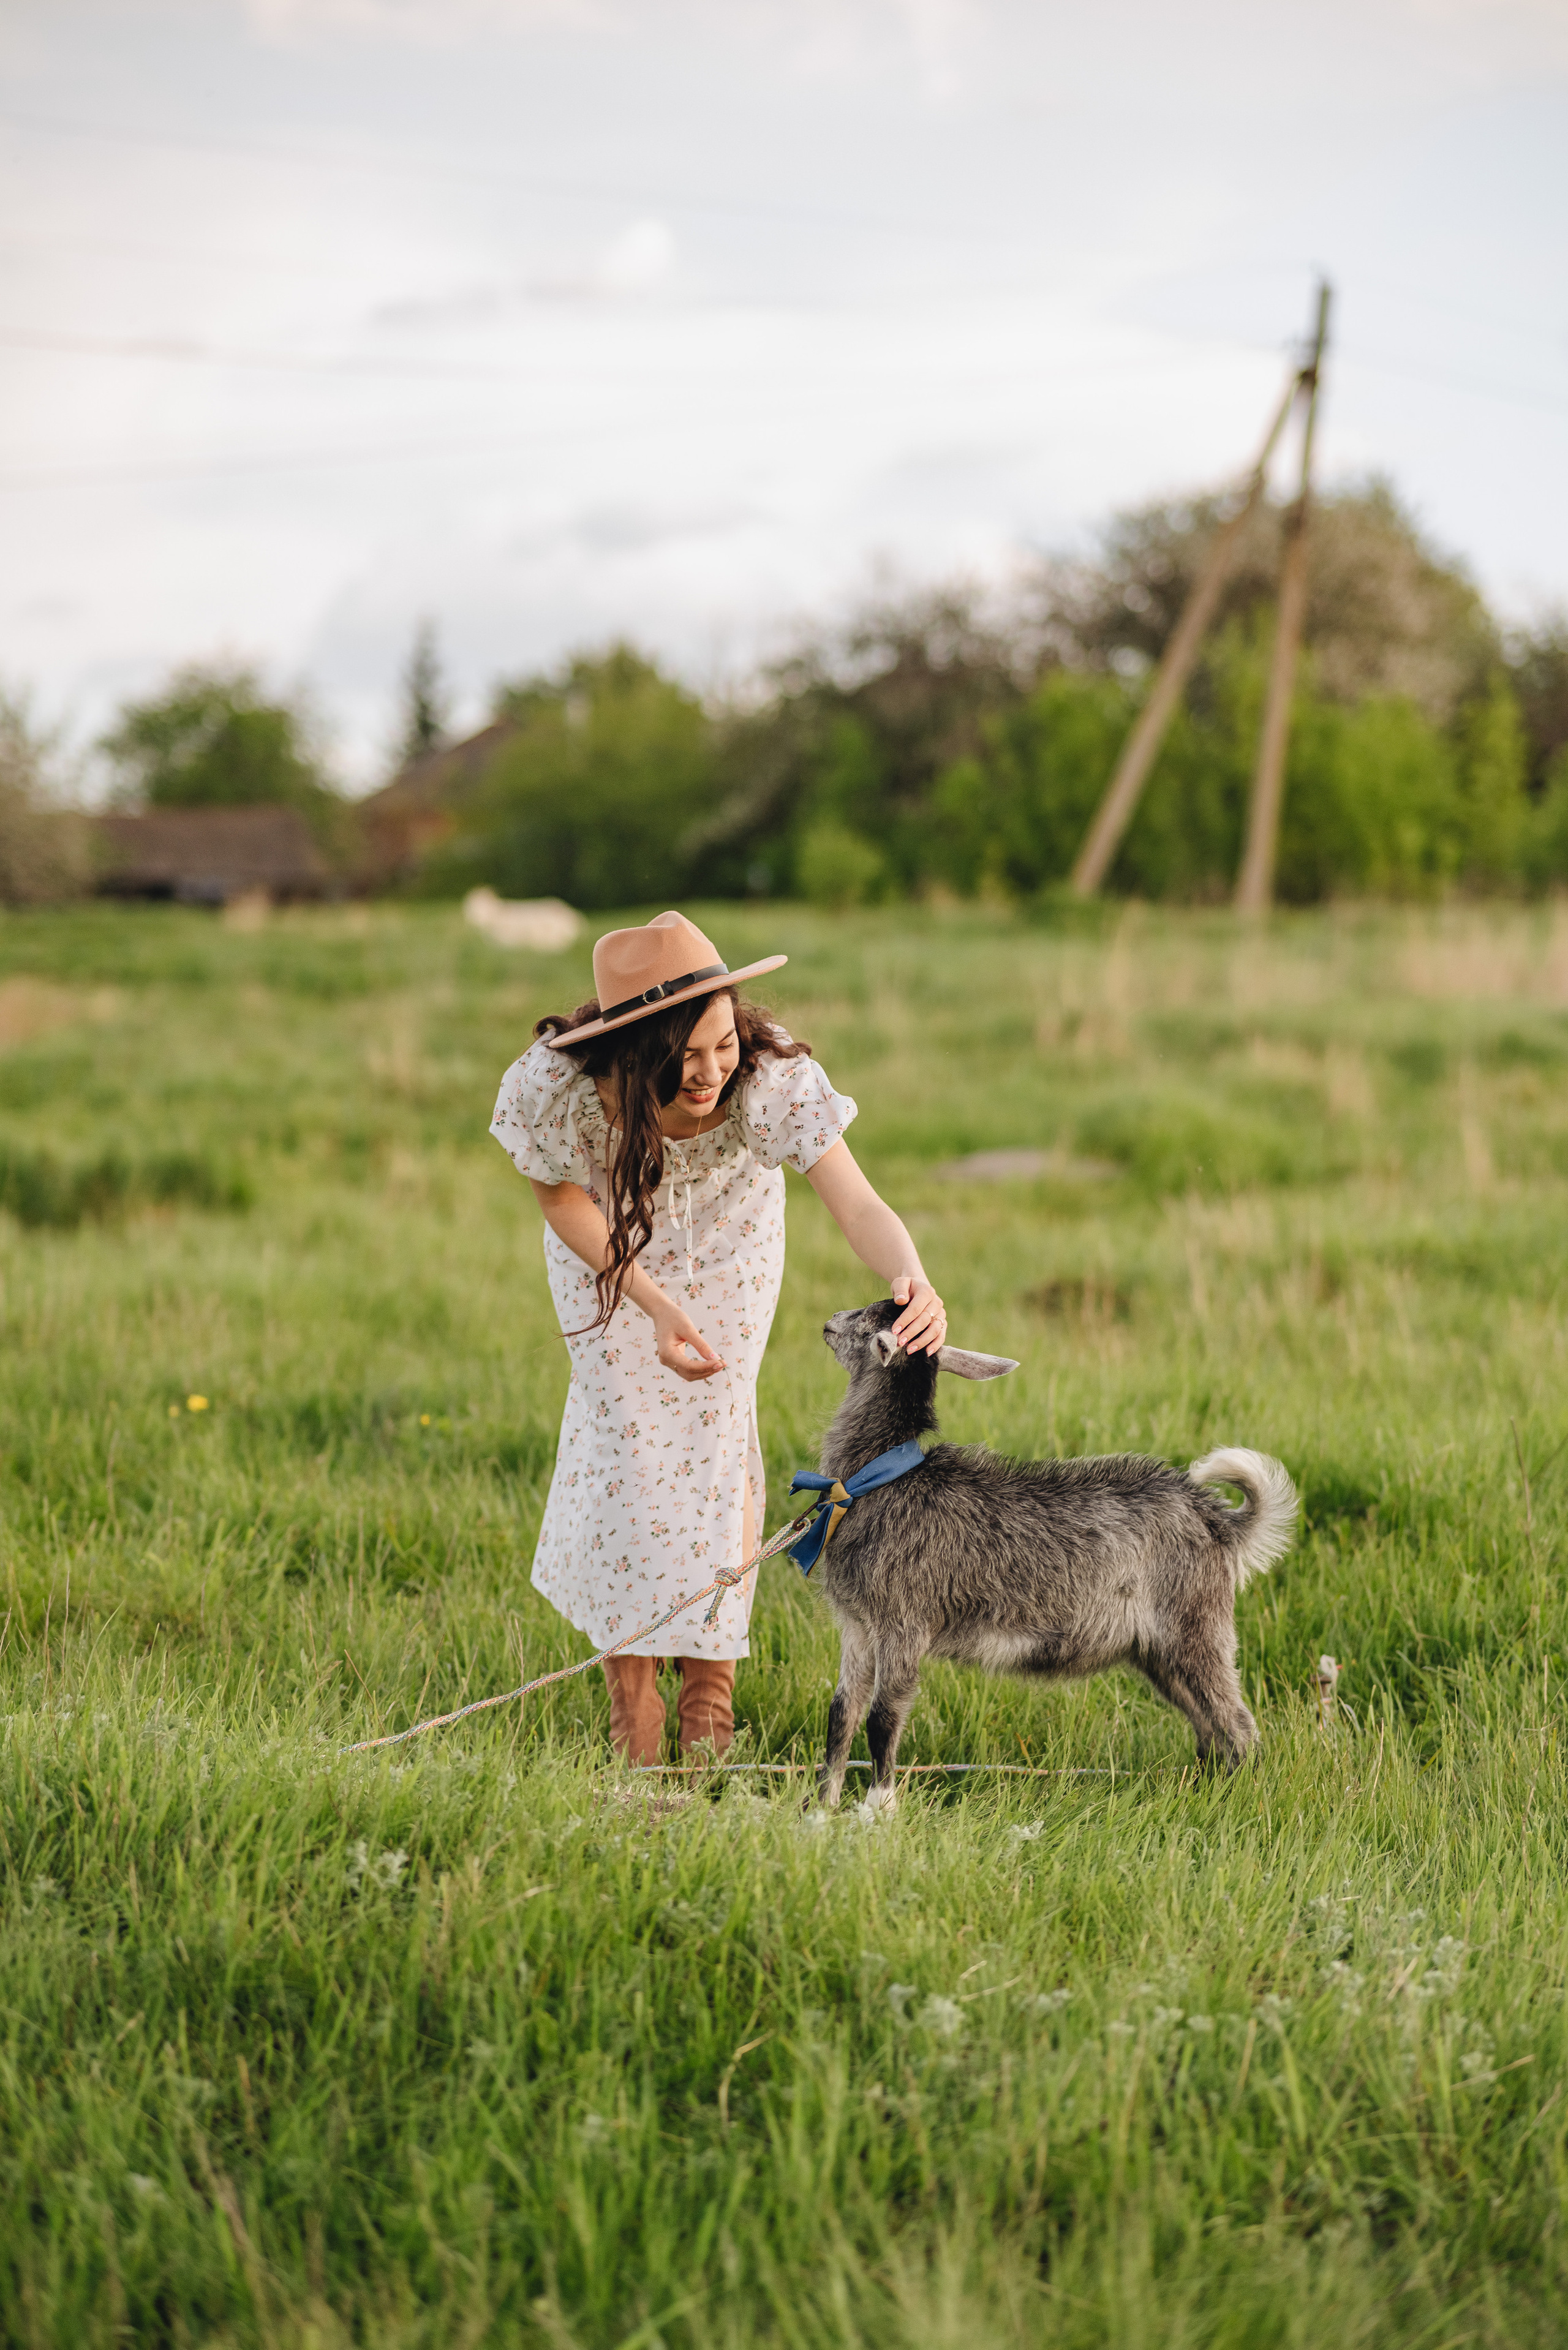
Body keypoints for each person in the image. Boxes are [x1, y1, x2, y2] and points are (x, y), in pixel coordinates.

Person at [489, 909, 946, 1766]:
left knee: (715, 1441)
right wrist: (654, 1303)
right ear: (634, 1054)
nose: (710, 1072)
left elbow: (857, 1201)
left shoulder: (771, 1080)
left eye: (722, 1045)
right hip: (612, 1250)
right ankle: (633, 1696)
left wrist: (910, 1274)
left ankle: (710, 1682)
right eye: (685, 1057)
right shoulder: (560, 1088)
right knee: (627, 1442)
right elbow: (560, 1201)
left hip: (733, 1245)